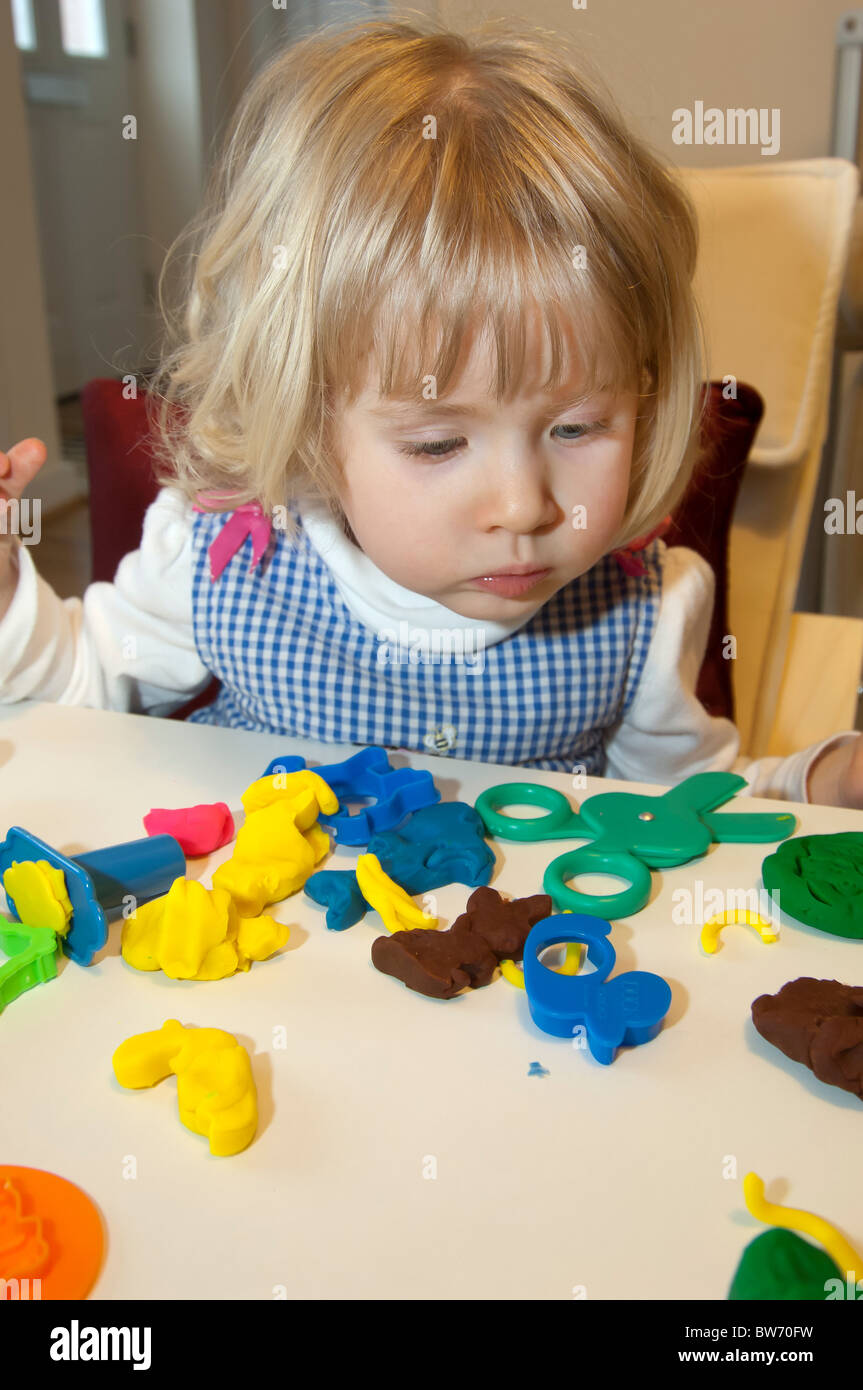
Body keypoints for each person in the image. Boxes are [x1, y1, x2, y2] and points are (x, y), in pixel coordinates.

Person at [0, 15, 860, 805]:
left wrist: (816, 781)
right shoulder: (219, 559)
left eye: (576, 427)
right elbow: (77, 694)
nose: (524, 506)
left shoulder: (643, 614)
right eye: (439, 442)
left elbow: (688, 811)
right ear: (303, 422)